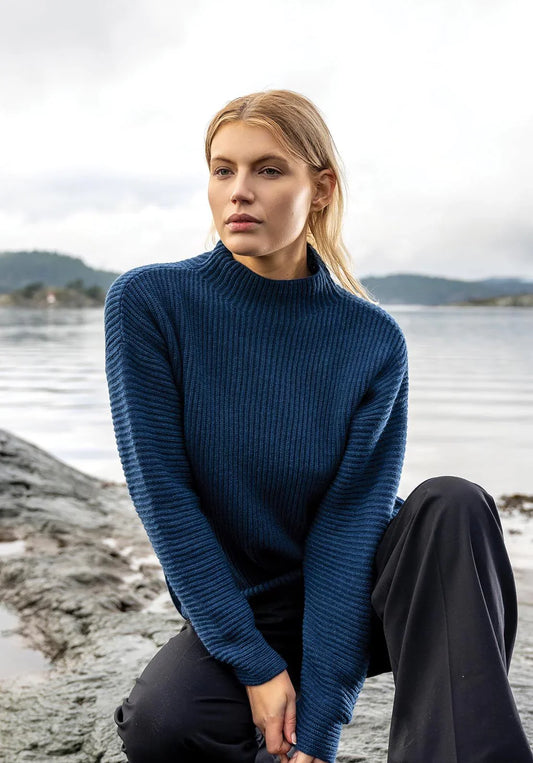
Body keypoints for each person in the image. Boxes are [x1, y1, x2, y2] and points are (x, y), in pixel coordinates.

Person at [104, 89, 532, 763]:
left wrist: (321, 727)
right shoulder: (151, 303)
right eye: (223, 170)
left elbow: (349, 523)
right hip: (251, 607)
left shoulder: (371, 338)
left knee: (454, 504)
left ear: (321, 187)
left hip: (363, 592)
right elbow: (165, 500)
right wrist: (254, 664)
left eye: (267, 170)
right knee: (163, 725)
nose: (239, 191)